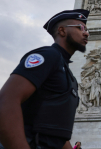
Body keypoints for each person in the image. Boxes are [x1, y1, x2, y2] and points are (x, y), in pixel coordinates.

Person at [0, 9, 90, 149]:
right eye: (80, 28)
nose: (86, 33)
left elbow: (58, 135)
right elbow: (6, 100)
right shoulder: (47, 56)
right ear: (62, 31)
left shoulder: (69, 75)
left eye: (86, 29)